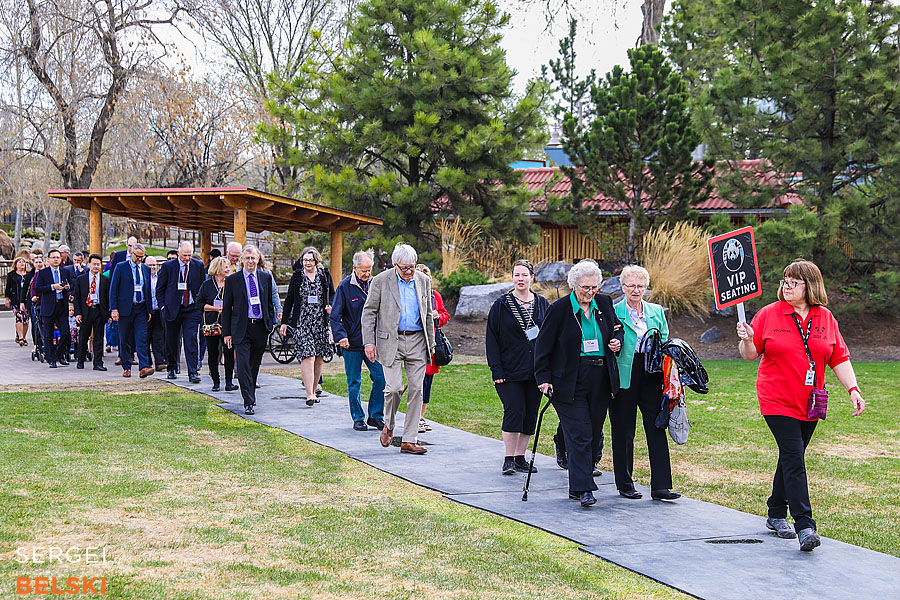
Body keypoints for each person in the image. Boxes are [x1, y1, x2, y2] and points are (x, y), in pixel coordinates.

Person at [736, 260, 865, 552]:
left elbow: (838, 357)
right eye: (785, 280)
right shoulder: (770, 313)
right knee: (794, 457)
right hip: (776, 398)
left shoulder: (826, 317)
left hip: (810, 400)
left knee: (791, 455)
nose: (787, 286)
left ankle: (775, 512)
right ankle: (805, 525)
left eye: (794, 282)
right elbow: (750, 354)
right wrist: (745, 339)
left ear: (810, 286)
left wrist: (853, 389)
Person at [534, 259, 624, 507]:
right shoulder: (560, 309)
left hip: (600, 377)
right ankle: (583, 488)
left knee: (594, 433)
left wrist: (616, 340)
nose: (590, 292)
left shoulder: (604, 303)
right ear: (574, 286)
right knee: (580, 433)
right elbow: (543, 347)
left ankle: (573, 472)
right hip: (569, 379)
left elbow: (617, 328)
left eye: (594, 287)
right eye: (585, 287)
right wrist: (543, 378)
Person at [610, 265, 679, 501]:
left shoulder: (656, 311)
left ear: (646, 288)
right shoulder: (613, 311)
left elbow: (665, 340)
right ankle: (625, 483)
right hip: (624, 375)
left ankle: (661, 486)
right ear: (622, 286)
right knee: (623, 430)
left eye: (640, 286)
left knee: (657, 426)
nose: (635, 290)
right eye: (631, 285)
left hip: (651, 374)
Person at [361, 242, 435, 455]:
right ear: (395, 265)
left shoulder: (423, 280)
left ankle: (409, 439)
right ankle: (390, 424)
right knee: (393, 388)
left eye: (412, 266)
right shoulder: (381, 281)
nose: (409, 271)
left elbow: (428, 313)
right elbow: (369, 313)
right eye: (404, 268)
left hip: (417, 341)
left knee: (417, 389)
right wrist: (369, 342)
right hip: (390, 341)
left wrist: (431, 343)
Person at [486, 259, 551, 475]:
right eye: (517, 275)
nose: (520, 279)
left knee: (530, 413)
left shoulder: (542, 304)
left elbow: (550, 338)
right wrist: (497, 370)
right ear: (512, 277)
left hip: (535, 371)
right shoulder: (501, 305)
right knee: (514, 410)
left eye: (524, 275)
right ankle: (508, 458)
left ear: (532, 277)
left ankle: (520, 457)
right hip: (509, 371)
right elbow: (492, 340)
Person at [331, 249, 386, 431]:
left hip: (372, 342)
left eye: (369, 269)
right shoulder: (345, 287)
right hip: (352, 344)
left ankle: (376, 416)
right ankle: (358, 417)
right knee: (354, 381)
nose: (367, 274)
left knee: (380, 378)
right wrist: (341, 336)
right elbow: (335, 315)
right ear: (355, 268)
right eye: (364, 270)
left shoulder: (375, 284)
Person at [223, 244, 273, 414]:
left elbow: (268, 302)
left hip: (260, 327)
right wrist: (227, 332)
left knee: (254, 364)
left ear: (258, 260)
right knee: (243, 364)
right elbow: (227, 307)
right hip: (241, 328)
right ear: (242, 260)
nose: (251, 261)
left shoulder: (265, 277)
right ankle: (248, 401)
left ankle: (250, 393)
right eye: (247, 258)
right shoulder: (232, 280)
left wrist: (269, 323)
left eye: (253, 258)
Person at [281, 247, 334, 406]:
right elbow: (289, 299)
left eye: (310, 260)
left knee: (318, 357)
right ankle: (309, 394)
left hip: (319, 322)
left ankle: (314, 387)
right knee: (308, 356)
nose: (307, 263)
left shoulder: (324, 275)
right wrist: (284, 321)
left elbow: (332, 293)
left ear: (316, 260)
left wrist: (330, 305)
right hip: (302, 322)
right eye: (305, 260)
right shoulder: (297, 277)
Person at [156, 241, 205, 383]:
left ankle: (193, 371)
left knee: (191, 339)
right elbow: (160, 289)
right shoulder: (168, 267)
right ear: (178, 253)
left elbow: (202, 286)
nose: (187, 258)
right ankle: (172, 367)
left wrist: (200, 305)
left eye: (190, 255)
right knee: (171, 340)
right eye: (184, 255)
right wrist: (163, 307)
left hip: (192, 308)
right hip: (172, 309)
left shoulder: (198, 266)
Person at [109, 243, 154, 378]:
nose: (140, 259)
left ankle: (144, 367)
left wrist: (149, 310)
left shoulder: (145, 269)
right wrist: (114, 309)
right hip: (125, 309)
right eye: (138, 256)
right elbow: (113, 289)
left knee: (142, 338)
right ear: (132, 254)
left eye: (142, 257)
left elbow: (147, 290)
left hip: (141, 308)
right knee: (124, 338)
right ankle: (126, 366)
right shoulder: (121, 267)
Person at [416, 264, 450, 433]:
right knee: (417, 382)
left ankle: (421, 417)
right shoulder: (411, 295)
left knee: (427, 383)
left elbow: (445, 315)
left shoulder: (435, 295)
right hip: (416, 344)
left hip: (432, 345)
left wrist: (438, 315)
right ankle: (414, 418)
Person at [198, 256, 236, 392]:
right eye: (226, 267)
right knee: (213, 353)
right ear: (218, 268)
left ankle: (229, 382)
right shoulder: (207, 285)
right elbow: (199, 303)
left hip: (228, 323)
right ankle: (215, 381)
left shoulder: (231, 282)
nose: (228, 269)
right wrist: (215, 308)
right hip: (212, 323)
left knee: (229, 352)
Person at [33, 248, 73, 368]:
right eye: (53, 257)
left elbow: (71, 285)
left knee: (66, 333)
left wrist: (67, 287)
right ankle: (51, 359)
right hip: (48, 306)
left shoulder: (65, 271)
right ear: (48, 259)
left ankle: (59, 355)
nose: (56, 260)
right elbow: (38, 288)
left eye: (58, 257)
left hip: (61, 305)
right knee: (48, 335)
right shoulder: (43, 272)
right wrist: (52, 287)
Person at [72, 254, 110, 371]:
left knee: (98, 338)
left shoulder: (105, 280)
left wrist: (108, 315)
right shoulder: (81, 279)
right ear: (89, 265)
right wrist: (77, 313)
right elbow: (77, 297)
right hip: (86, 311)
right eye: (94, 264)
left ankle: (98, 362)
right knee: (84, 337)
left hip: (99, 310)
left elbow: (108, 298)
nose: (96, 267)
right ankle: (80, 359)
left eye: (98, 264)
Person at [145, 256, 167, 372]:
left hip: (158, 311)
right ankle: (147, 363)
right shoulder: (143, 277)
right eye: (150, 265)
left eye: (154, 265)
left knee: (158, 337)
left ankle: (160, 362)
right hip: (146, 312)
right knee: (145, 338)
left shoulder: (160, 277)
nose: (152, 267)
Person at [5, 256, 31, 346]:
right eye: (19, 262)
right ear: (16, 264)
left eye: (23, 262)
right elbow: (8, 287)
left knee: (26, 319)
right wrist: (7, 298)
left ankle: (23, 336)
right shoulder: (12, 275)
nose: (21, 264)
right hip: (15, 299)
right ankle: (20, 337)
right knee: (19, 317)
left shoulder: (28, 274)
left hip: (26, 299)